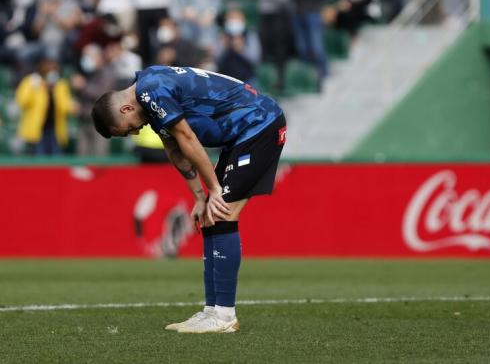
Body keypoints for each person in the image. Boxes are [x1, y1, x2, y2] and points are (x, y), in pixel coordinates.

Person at [91, 65, 287, 333]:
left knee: (221, 213)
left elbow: (187, 137)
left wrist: (214, 189)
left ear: (125, 110)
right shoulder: (148, 96)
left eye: (127, 130)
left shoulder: (151, 91)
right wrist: (199, 196)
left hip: (260, 125)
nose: (134, 133)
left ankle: (225, 315)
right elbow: (174, 148)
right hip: (241, 135)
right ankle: (211, 311)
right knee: (209, 216)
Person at [15, 57, 74, 155]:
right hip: (37, 130)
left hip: (55, 129)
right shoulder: (31, 81)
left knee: (57, 160)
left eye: (54, 70)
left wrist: (54, 91)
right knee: (39, 161)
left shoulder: (60, 85)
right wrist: (32, 87)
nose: (52, 73)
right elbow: (22, 101)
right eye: (49, 70)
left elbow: (65, 107)